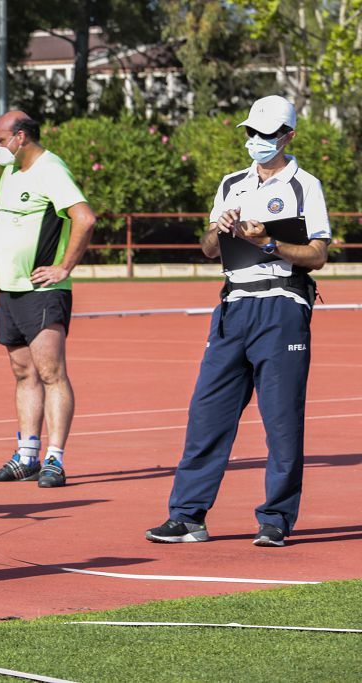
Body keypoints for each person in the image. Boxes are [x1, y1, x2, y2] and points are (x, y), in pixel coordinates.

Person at [145, 95, 330, 548]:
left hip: (282, 305)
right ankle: (188, 516)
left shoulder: (306, 185)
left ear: (288, 136)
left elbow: (319, 255)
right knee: (206, 414)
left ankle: (276, 519)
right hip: (232, 307)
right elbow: (209, 249)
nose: (257, 141)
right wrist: (219, 227)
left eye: (266, 135)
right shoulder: (231, 183)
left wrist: (269, 243)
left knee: (281, 419)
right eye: (251, 133)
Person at [0, 110, 96, 488]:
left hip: (42, 291)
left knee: (51, 373)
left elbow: (84, 217)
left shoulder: (51, 169)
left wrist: (64, 266)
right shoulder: (11, 171)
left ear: (20, 138)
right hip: (10, 289)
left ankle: (54, 459)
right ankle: (27, 455)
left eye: (0, 141)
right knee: (23, 372)